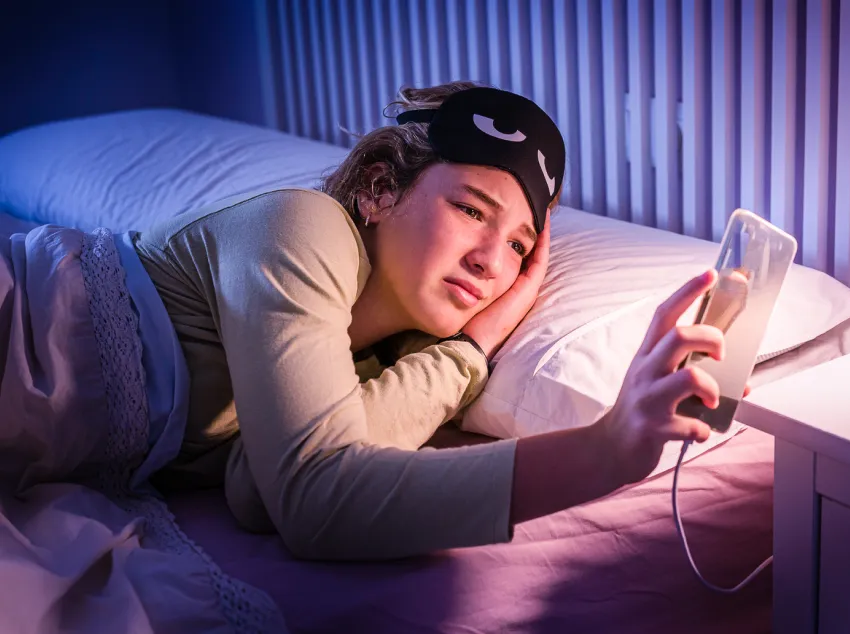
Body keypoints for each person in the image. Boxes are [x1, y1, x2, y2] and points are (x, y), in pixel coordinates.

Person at [1, 81, 733, 562]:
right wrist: (603, 449)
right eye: (470, 209)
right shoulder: (302, 226)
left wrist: (462, 349)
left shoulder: (363, 360)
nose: (489, 260)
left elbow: (259, 492)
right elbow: (314, 499)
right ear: (381, 190)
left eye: (516, 245)